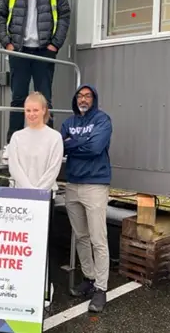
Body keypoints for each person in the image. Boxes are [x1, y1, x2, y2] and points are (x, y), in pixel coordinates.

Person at [0, 0, 71, 158]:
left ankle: (48, 147)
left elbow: (65, 15)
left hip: (44, 51)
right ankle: (12, 145)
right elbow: (0, 15)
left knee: (44, 98)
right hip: (19, 50)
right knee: (18, 99)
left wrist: (55, 44)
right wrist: (7, 43)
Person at [8, 91, 64, 309]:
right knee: (21, 246)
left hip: (44, 199)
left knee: (42, 245)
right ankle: (21, 286)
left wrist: (38, 194)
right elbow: (15, 167)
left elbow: (53, 169)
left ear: (44, 111)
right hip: (22, 199)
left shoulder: (54, 137)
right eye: (28, 110)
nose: (31, 114)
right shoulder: (17, 137)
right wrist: (29, 192)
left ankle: (43, 288)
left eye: (35, 110)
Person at [60, 84, 113, 313]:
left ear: (94, 99)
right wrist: (77, 143)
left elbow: (95, 148)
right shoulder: (68, 123)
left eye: (88, 96)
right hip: (72, 184)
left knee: (98, 239)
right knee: (81, 236)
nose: (84, 99)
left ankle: (101, 289)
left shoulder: (102, 120)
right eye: (80, 95)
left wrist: (74, 144)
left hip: (95, 185)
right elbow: (61, 146)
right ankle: (89, 279)